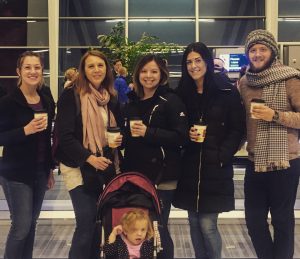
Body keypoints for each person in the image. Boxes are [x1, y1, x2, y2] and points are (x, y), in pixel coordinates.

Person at [172, 42, 245, 259]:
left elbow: (237, 128)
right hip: (189, 165)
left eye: (198, 60)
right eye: (189, 62)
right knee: (193, 222)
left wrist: (223, 155)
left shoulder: (225, 91)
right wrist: (186, 135)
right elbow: (175, 126)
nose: (193, 66)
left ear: (206, 61)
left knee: (207, 224)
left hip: (215, 166)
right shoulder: (182, 93)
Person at [55, 49, 123, 259]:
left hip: (101, 166)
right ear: (83, 70)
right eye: (91, 66)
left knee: (97, 223)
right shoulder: (71, 95)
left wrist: (119, 140)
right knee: (85, 223)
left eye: (100, 65)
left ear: (107, 69)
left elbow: (115, 129)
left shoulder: (109, 97)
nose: (96, 70)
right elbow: (64, 137)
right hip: (78, 166)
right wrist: (88, 157)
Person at [239, 29, 300, 259]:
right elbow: (242, 119)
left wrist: (274, 115)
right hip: (254, 161)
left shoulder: (290, 78)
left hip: (286, 161)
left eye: (262, 49)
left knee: (282, 220)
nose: (257, 54)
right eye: (252, 50)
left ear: (272, 51)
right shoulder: (245, 82)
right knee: (253, 220)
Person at [122, 54, 189, 258]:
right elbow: (129, 139)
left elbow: (181, 137)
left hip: (162, 176)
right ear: (137, 74)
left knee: (158, 227)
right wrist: (120, 139)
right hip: (135, 175)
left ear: (162, 75)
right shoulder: (131, 102)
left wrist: (148, 132)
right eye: (144, 71)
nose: (148, 76)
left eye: (154, 71)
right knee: (138, 227)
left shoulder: (170, 100)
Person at [0, 50, 55, 259]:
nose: (33, 71)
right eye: (28, 67)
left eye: (37, 67)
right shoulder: (8, 102)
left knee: (32, 224)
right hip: (16, 173)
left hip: (39, 171)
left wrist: (50, 169)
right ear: (19, 72)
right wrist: (25, 130)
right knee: (21, 226)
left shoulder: (45, 99)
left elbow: (47, 139)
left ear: (42, 70)